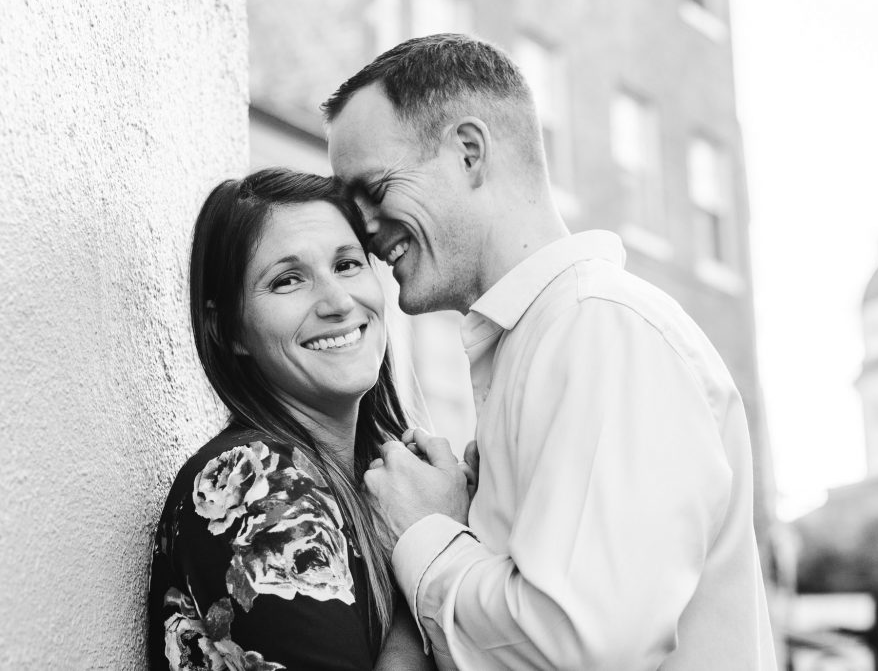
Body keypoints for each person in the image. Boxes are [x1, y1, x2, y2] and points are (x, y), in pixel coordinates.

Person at [322, 33, 777, 670]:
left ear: (469, 153)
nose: (365, 230)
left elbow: (581, 648)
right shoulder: (539, 344)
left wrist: (424, 534)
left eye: (375, 189)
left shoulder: (599, 331)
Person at [148, 169, 435, 671]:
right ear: (229, 329)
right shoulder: (253, 482)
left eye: (347, 264)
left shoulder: (386, 482)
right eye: (287, 280)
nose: (339, 302)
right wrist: (430, 552)